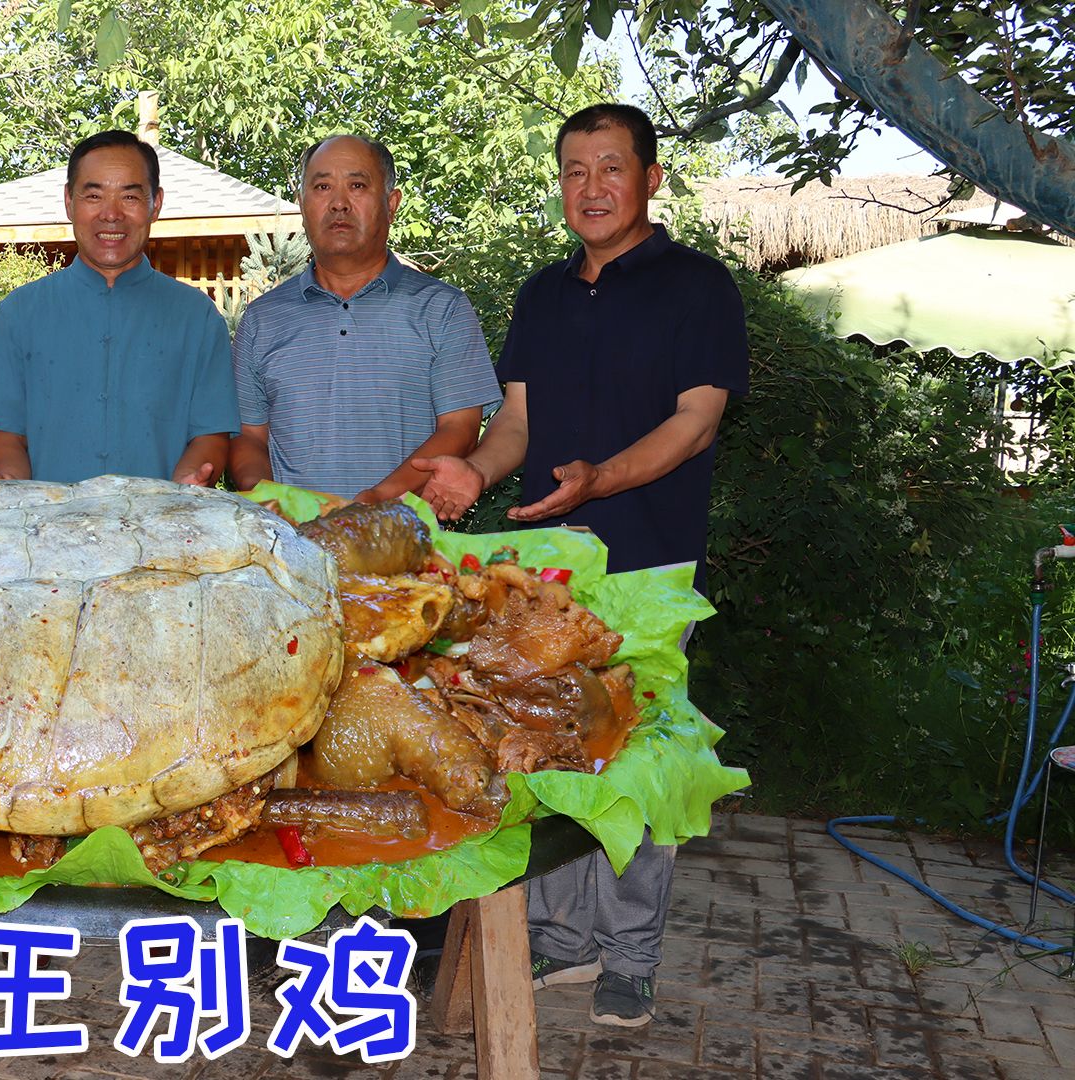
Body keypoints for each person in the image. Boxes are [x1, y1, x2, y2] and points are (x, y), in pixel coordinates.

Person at [415, 103, 749, 1027]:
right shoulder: (542, 295)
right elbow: (517, 426)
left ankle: (630, 955)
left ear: (650, 177)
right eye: (574, 170)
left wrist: (602, 476)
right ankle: (562, 938)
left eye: (611, 167)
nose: (591, 188)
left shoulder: (699, 287)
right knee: (546, 747)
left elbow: (695, 423)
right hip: (546, 578)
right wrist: (470, 471)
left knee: (636, 759)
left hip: (649, 569)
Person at [230, 135, 501, 501]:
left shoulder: (442, 309)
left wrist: (378, 499)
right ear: (302, 203)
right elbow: (248, 436)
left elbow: (461, 428)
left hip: (404, 539)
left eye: (357, 186)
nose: (339, 203)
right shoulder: (262, 319)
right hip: (292, 543)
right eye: (322, 187)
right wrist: (270, 502)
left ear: (391, 204)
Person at [0, 130, 237, 484]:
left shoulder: (198, 317)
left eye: (130, 197)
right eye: (93, 195)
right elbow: (3, 434)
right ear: (68, 202)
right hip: (49, 528)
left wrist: (192, 479)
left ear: (156, 204)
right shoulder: (17, 314)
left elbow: (211, 434)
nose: (111, 214)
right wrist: (9, 481)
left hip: (159, 528)